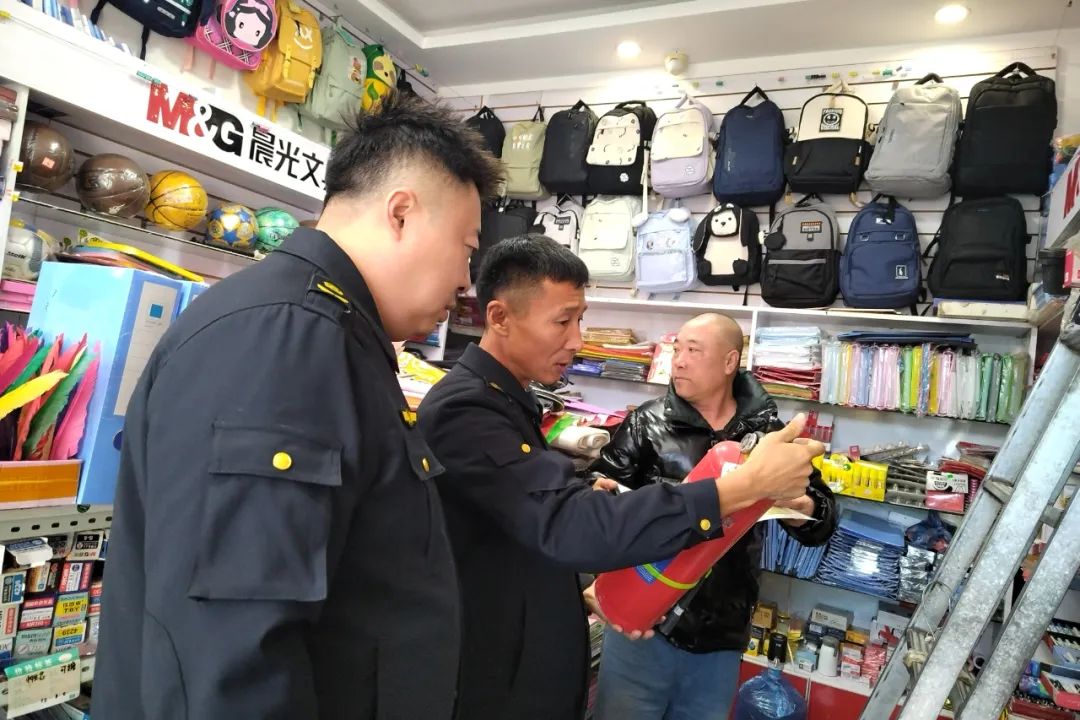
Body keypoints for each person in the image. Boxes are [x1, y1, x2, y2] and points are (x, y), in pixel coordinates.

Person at [94, 93, 502, 720]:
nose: (465, 280)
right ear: (401, 214)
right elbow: (233, 653)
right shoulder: (286, 340)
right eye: (466, 247)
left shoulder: (331, 332)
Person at [417, 236, 825, 720]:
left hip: (701, 632)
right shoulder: (466, 407)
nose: (577, 340)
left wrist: (584, 513)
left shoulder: (509, 400)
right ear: (500, 317)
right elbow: (566, 525)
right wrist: (742, 488)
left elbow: (526, 516)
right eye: (563, 321)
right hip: (502, 669)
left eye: (580, 319)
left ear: (731, 362)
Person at [589, 312, 838, 720]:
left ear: (729, 362)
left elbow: (823, 519)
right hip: (642, 618)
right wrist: (599, 491)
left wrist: (802, 510)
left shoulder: (769, 436)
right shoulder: (646, 422)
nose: (679, 361)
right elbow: (598, 491)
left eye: (693, 350)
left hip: (722, 631)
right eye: (677, 349)